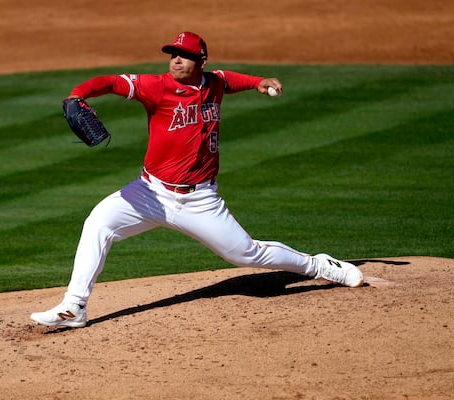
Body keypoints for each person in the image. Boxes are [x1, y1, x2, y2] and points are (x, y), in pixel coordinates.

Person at [31, 31, 363, 328]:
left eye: (185, 55)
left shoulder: (213, 83)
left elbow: (228, 79)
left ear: (200, 61)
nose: (176, 60)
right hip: (149, 193)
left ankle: (319, 266)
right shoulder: (157, 87)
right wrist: (78, 95)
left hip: (199, 200)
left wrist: (259, 81)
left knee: (246, 254)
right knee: (98, 224)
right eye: (173, 54)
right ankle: (75, 307)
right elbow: (113, 82)